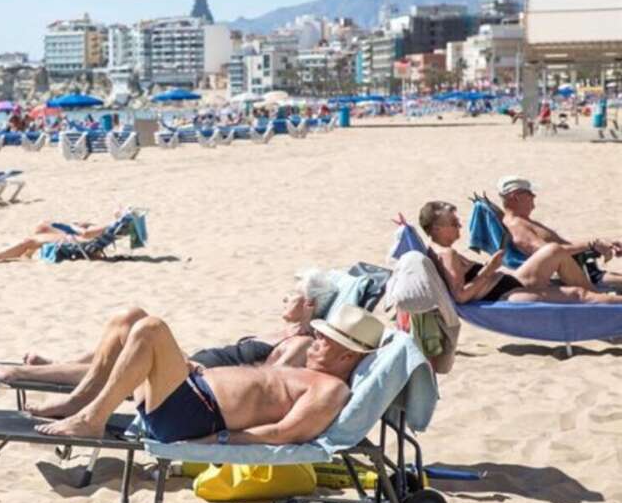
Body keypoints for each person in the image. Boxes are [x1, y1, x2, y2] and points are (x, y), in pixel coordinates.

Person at [33, 304, 384, 443]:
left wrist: (217, 443)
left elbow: (284, 432)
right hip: (189, 391)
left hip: (193, 416)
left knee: (151, 329)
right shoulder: (304, 368)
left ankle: (92, 419)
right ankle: (80, 401)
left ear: (348, 353)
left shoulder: (330, 389)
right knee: (129, 317)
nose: (317, 339)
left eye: (326, 338)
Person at [0, 281, 337, 406]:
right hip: (195, 367)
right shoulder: (281, 333)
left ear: (309, 305)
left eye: (292, 295)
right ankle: (49, 367)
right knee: (128, 318)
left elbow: (268, 383)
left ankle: (20, 371)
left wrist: (201, 371)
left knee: (137, 329)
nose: (283, 299)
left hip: (200, 382)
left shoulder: (303, 343)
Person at [419, 201, 622, 305]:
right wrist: (490, 268)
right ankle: (601, 303)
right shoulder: (447, 254)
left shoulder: (434, 250)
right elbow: (461, 296)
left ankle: (600, 303)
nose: (460, 226)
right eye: (453, 223)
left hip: (506, 284)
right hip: (504, 294)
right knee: (579, 294)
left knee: (554, 251)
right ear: (436, 228)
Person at [496, 176, 621, 287]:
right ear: (516, 197)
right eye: (529, 193)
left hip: (581, 268)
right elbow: (549, 253)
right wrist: (591, 245)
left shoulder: (522, 221)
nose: (534, 196)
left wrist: (599, 244)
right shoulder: (517, 225)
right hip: (574, 276)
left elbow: (561, 246)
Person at [0, 213, 121, 262]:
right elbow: (88, 232)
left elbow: (86, 235)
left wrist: (75, 227)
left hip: (76, 242)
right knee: (44, 225)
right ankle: (27, 254)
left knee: (29, 241)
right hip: (77, 238)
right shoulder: (107, 227)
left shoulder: (104, 227)